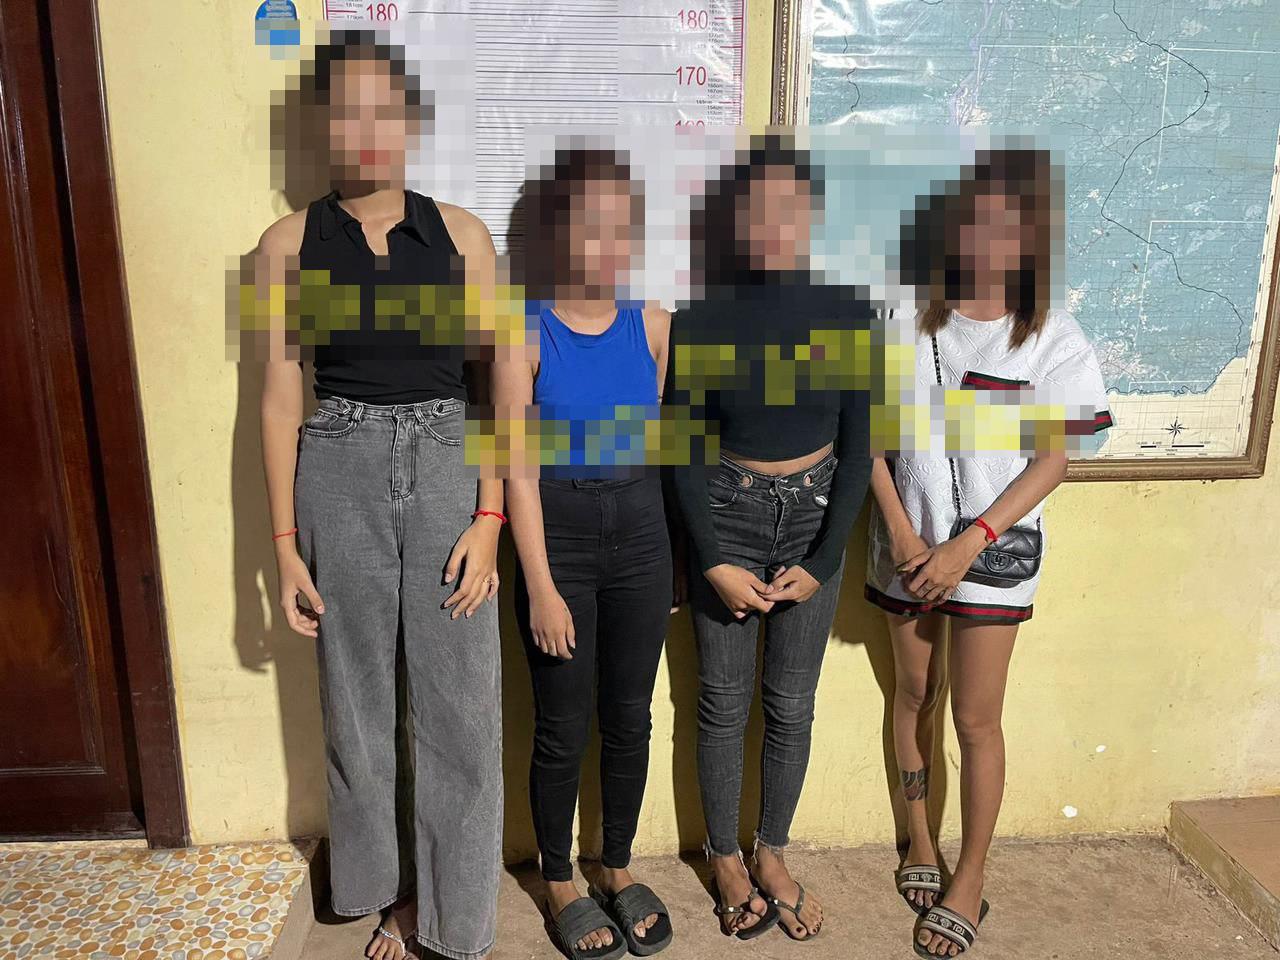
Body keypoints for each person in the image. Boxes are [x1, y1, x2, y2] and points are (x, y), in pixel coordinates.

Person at [251, 31, 504, 960]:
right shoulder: (284, 245)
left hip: (448, 463)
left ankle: (452, 918)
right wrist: (283, 546)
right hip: (340, 465)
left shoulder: (463, 235)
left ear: (409, 122)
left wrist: (490, 516)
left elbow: (496, 385)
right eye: (345, 110)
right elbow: (280, 399)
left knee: (461, 708)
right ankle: (379, 889)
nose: (365, 128)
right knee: (356, 702)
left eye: (382, 110)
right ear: (323, 125)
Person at [865, 148, 1113, 958]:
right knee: (913, 695)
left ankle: (970, 875)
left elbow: (1052, 461)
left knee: (975, 719)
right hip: (906, 550)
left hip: (992, 558)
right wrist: (905, 535)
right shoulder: (904, 315)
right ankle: (920, 840)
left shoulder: (1051, 338)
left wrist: (966, 545)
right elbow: (868, 437)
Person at [669, 136, 875, 942]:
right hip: (728, 516)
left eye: (790, 208)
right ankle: (724, 857)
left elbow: (860, 447)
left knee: (792, 702)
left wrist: (824, 562)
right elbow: (682, 448)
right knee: (721, 703)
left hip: (816, 518)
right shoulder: (703, 315)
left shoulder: (850, 310)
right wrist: (712, 560)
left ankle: (773, 850)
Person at [503, 147, 675, 960]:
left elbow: (656, 446)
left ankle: (616, 864)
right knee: (563, 724)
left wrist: (669, 556)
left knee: (631, 717)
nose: (603, 244)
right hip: (559, 539)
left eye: (618, 226)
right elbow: (515, 469)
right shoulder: (524, 331)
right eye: (586, 225)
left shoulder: (654, 324)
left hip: (641, 533)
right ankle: (559, 878)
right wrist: (540, 585)